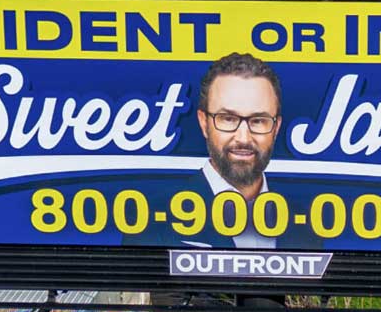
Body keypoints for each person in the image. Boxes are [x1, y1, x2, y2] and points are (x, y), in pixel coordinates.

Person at [125, 52, 317, 249]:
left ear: (276, 128)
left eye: (258, 120)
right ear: (203, 122)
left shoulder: (304, 224)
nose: (243, 138)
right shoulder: (153, 220)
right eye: (228, 119)